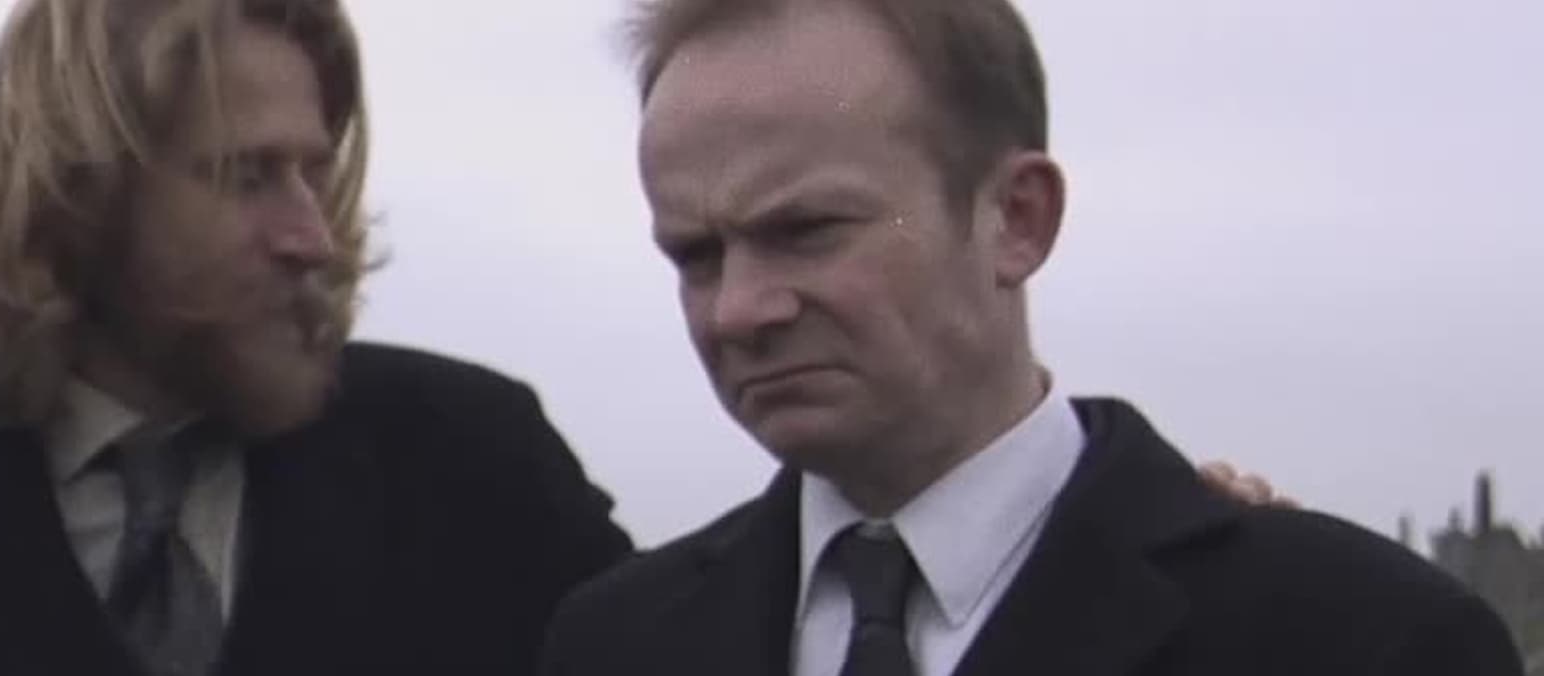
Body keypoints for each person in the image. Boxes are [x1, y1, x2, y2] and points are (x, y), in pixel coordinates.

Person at [535, 0, 1525, 674]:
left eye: (807, 231)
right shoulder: (613, 644)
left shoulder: (1362, 641)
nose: (739, 309)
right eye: (696, 255)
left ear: (1017, 218)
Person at [0, 2, 634, 675]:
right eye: (248, 176)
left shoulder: (475, 465)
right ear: (80, 195)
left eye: (314, 173)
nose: (311, 236)